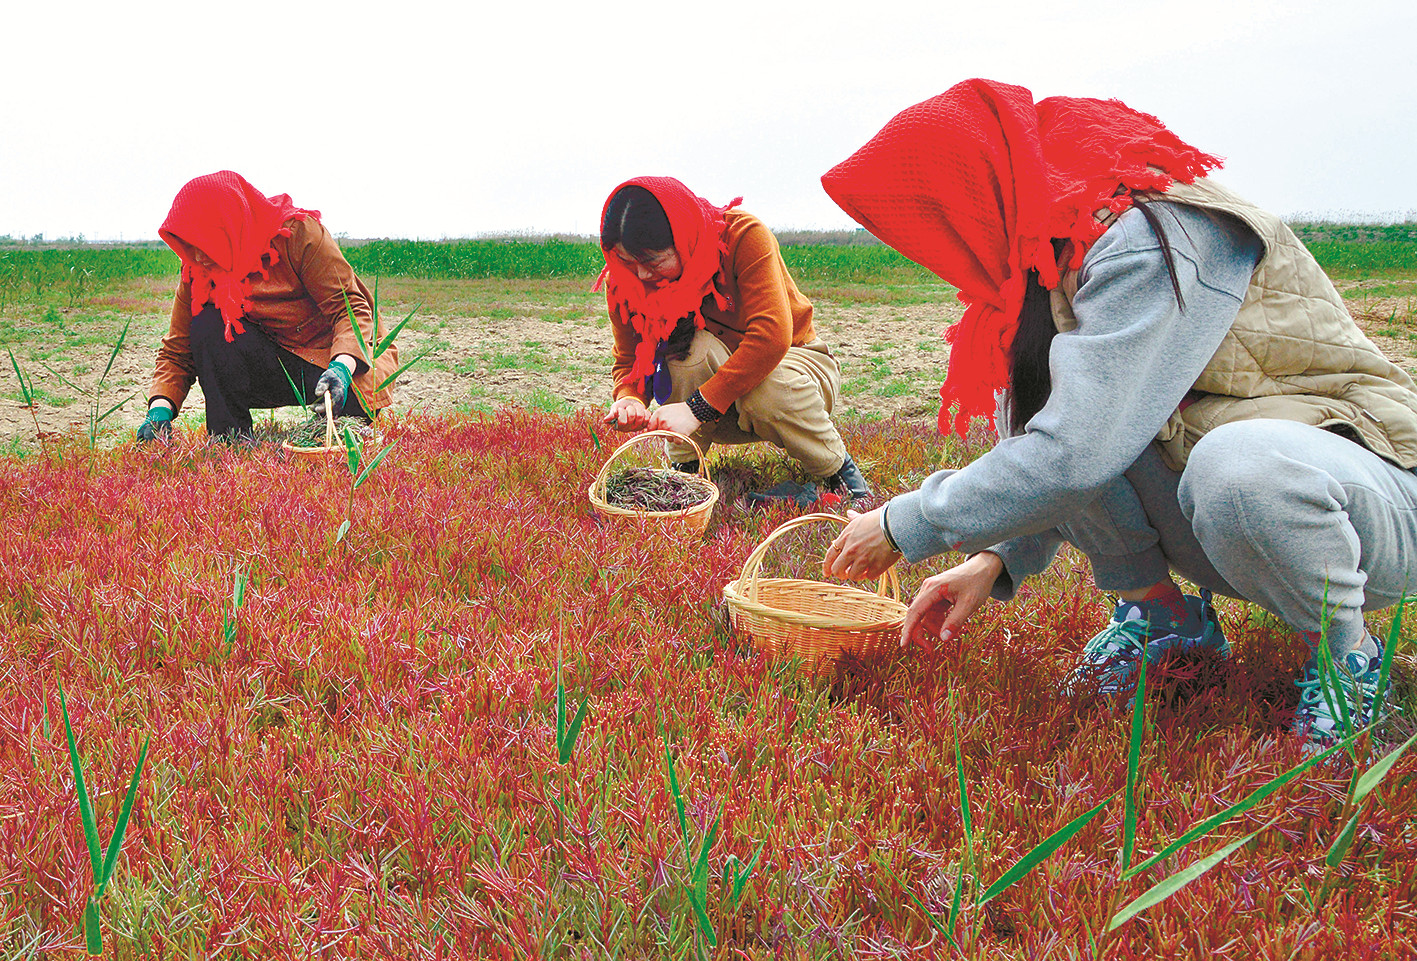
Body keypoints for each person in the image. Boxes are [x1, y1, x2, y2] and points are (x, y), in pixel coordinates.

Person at [818, 79, 1416, 747]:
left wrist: (904, 525)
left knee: (1235, 463)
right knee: (1056, 402)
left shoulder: (1148, 234)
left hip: (1365, 503)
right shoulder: (1045, 268)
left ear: (970, 194)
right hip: (1233, 512)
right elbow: (1073, 436)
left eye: (929, 223)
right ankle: (1167, 625)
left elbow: (1075, 453)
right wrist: (994, 559)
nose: (928, 247)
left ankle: (1346, 662)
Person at [595, 176, 870, 501]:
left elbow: (772, 337)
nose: (642, 275)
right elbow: (629, 360)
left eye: (653, 262)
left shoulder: (743, 236)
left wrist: (695, 409)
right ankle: (685, 475)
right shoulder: (624, 281)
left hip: (794, 368)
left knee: (766, 388)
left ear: (683, 239)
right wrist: (629, 398)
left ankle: (840, 475)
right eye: (629, 262)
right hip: (718, 400)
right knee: (686, 352)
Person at [138, 171, 398, 443]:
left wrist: (342, 368)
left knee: (346, 430)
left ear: (229, 227)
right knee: (206, 324)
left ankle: (338, 409)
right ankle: (231, 440)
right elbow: (178, 348)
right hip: (271, 360)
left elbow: (350, 310)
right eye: (190, 245)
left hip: (334, 361)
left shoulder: (298, 234)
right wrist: (160, 409)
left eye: (206, 242)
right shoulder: (198, 268)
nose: (199, 256)